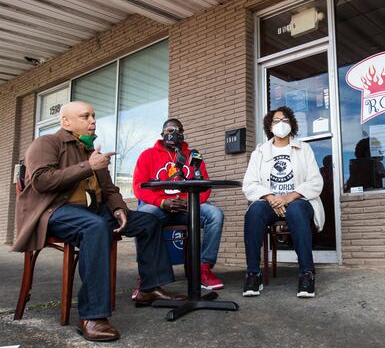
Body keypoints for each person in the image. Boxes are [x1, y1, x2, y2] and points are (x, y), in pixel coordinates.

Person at [12, 101, 184, 342]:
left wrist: (119, 209)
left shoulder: (91, 151)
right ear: (66, 122)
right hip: (55, 211)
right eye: (85, 116)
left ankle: (149, 289)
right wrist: (87, 166)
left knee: (149, 221)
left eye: (93, 116)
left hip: (93, 210)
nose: (93, 121)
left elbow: (110, 189)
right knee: (95, 227)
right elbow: (42, 181)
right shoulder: (47, 143)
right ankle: (93, 316)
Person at [133, 118, 225, 290]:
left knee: (215, 214)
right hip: (160, 207)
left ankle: (203, 269)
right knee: (143, 217)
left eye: (178, 130)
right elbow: (139, 187)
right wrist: (162, 202)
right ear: (162, 134)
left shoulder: (193, 156)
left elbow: (204, 186)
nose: (173, 133)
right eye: (169, 130)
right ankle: (147, 275)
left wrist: (191, 202)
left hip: (187, 206)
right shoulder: (147, 155)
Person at [242, 106, 324, 298]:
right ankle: (253, 274)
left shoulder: (304, 149)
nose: (281, 124)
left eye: (285, 120)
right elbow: (249, 185)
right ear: (269, 126)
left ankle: (306, 274)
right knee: (254, 212)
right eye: (276, 120)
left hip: (299, 201)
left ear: (292, 124)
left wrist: (288, 198)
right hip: (270, 203)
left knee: (295, 210)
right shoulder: (260, 152)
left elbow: (315, 182)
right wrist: (272, 199)